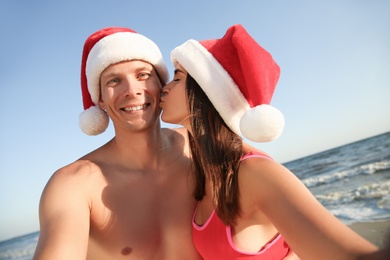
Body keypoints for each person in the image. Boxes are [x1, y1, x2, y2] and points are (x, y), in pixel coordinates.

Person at [160, 24, 379, 259]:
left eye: (177, 78)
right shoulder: (202, 175)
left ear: (206, 94)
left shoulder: (255, 173)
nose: (165, 88)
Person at [33, 27, 201, 259]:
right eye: (114, 80)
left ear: (162, 85)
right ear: (100, 100)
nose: (132, 91)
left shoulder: (198, 147)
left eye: (142, 75)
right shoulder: (74, 186)